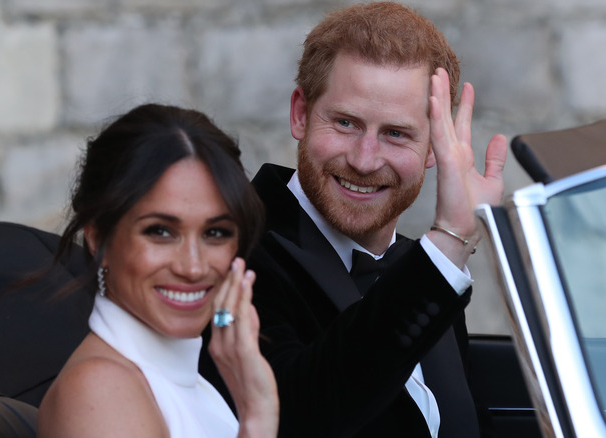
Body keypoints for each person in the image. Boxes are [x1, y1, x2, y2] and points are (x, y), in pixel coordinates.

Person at [198, 2, 508, 438]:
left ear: (436, 148)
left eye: (396, 133)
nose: (365, 160)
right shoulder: (232, 251)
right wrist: (451, 240)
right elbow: (295, 414)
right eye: (345, 123)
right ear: (301, 114)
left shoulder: (424, 269)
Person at [37, 104, 279, 438]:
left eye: (215, 233)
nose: (193, 267)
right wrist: (256, 420)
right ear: (98, 239)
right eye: (160, 232)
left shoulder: (189, 381)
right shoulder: (101, 389)